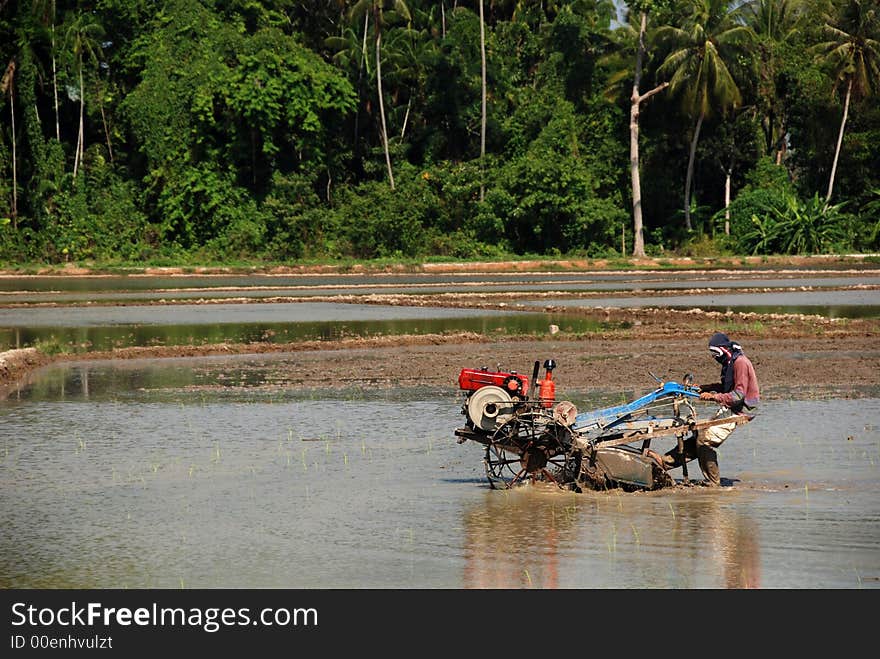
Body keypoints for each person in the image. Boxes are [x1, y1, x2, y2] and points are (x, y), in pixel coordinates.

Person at [662, 332, 760, 486]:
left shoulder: (740, 362)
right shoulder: (730, 361)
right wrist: (704, 388)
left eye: (715, 353)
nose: (714, 357)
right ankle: (663, 464)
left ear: (722, 349)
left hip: (740, 410)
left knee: (705, 441)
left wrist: (713, 397)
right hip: (731, 406)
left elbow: (738, 395)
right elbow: (726, 387)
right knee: (699, 437)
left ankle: (713, 484)